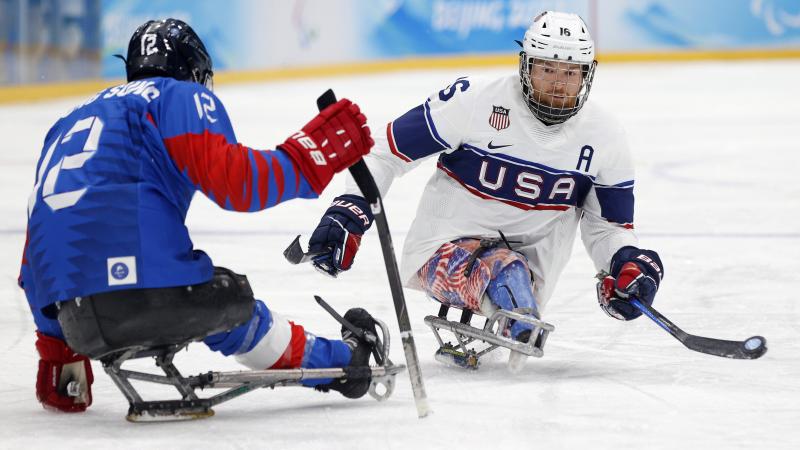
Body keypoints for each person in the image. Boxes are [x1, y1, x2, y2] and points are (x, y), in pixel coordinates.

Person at [19, 18, 378, 413]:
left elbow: (36, 255)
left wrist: (57, 351)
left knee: (183, 280)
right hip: (149, 295)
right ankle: (343, 363)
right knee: (229, 298)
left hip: (82, 324)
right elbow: (235, 182)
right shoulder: (174, 95)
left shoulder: (63, 125)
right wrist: (307, 158)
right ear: (191, 69)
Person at [308, 11, 664, 351]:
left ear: (587, 74)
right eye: (547, 68)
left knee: (512, 271)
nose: (558, 84)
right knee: (505, 270)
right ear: (525, 65)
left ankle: (517, 306)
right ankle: (516, 311)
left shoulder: (605, 136)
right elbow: (386, 151)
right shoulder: (474, 100)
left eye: (571, 72)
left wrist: (625, 262)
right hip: (442, 250)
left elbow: (608, 228)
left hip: (529, 277)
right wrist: (351, 207)